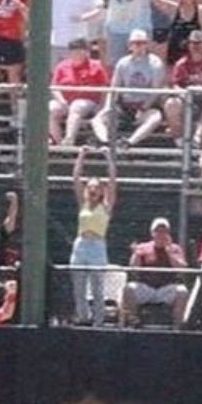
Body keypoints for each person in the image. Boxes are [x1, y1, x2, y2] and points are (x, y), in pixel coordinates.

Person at [92, 29, 166, 151]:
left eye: (142, 43)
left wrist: (144, 107)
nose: (139, 46)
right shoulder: (123, 63)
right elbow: (114, 87)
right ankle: (105, 142)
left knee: (155, 117)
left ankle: (129, 142)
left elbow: (156, 89)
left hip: (146, 105)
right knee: (97, 119)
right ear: (129, 45)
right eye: (135, 43)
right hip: (124, 105)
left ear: (147, 45)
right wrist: (108, 106)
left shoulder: (155, 63)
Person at [68, 145, 116, 327]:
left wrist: (107, 158)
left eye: (97, 187)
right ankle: (83, 317)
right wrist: (81, 156)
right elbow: (75, 178)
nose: (93, 190)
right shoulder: (83, 204)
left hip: (97, 245)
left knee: (97, 286)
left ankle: (98, 321)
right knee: (79, 286)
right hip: (81, 244)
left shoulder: (106, 206)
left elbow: (112, 181)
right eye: (91, 187)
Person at [121, 216, 189, 328]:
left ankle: (177, 327)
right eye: (158, 231)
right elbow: (133, 269)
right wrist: (136, 254)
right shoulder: (143, 247)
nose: (161, 234)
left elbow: (183, 269)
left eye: (164, 231)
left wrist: (169, 252)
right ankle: (133, 322)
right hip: (146, 288)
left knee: (182, 291)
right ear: (152, 233)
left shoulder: (175, 248)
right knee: (129, 289)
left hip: (166, 289)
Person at [49, 38, 110, 147]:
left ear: (87, 51)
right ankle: (59, 143)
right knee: (50, 108)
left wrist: (101, 106)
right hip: (65, 101)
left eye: (80, 49)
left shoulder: (96, 65)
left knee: (77, 106)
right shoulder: (62, 66)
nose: (77, 52)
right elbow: (54, 87)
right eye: (74, 50)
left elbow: (105, 87)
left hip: (88, 101)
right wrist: (61, 100)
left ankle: (69, 140)